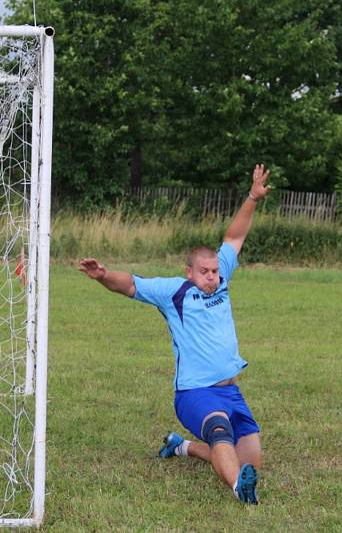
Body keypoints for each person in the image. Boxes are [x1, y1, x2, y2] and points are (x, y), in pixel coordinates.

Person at [78, 164, 272, 504]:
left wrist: (253, 198)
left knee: (248, 460)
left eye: (214, 271)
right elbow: (133, 285)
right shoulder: (175, 292)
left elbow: (235, 237)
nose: (212, 276)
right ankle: (240, 491)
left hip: (232, 392)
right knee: (221, 436)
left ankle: (180, 446)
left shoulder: (223, 276)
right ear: (189, 272)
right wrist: (103, 275)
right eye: (204, 271)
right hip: (195, 393)